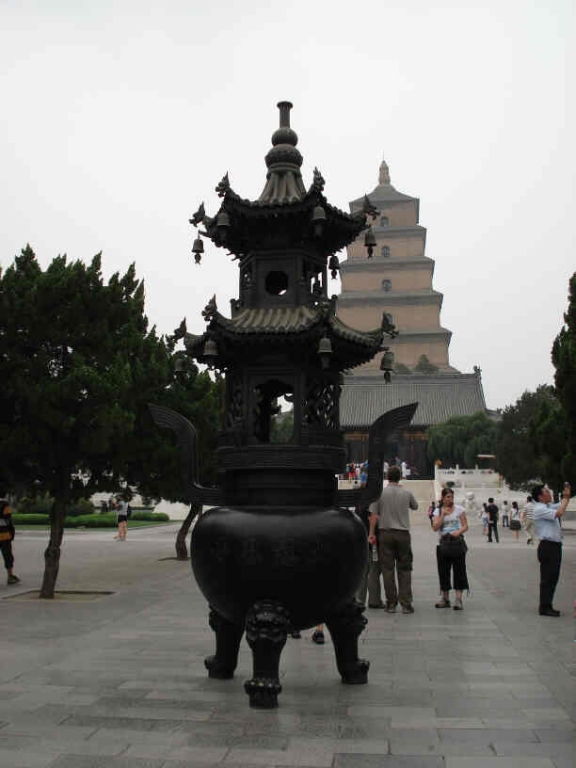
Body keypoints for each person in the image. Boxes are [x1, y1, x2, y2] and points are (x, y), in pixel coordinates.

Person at [368, 465, 418, 614]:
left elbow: (373, 516)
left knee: (387, 569)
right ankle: (406, 604)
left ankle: (391, 604)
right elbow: (415, 506)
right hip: (403, 534)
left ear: (386, 477)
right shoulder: (406, 493)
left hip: (385, 534)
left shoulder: (379, 494)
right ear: (400, 476)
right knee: (404, 568)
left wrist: (371, 534)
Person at [531, 482, 571, 617]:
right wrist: (565, 498)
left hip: (554, 546)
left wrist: (567, 495)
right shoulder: (539, 509)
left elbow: (560, 505)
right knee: (548, 578)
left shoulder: (546, 506)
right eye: (547, 492)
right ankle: (544, 607)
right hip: (548, 546)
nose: (549, 493)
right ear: (540, 496)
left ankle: (548, 604)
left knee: (553, 577)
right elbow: (559, 512)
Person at [432, 487, 469, 610]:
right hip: (443, 545)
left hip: (457, 543)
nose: (450, 499)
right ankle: (445, 598)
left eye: (452, 497)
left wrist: (458, 532)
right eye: (448, 497)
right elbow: (435, 527)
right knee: (444, 572)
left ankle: (458, 599)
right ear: (442, 498)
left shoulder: (459, 510)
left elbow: (465, 525)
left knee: (459, 571)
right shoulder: (437, 511)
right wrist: (442, 514)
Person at [0, 489, 20, 585]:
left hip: (4, 535)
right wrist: (12, 532)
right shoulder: (5, 505)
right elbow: (8, 520)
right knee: (7, 556)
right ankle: (10, 576)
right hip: (4, 535)